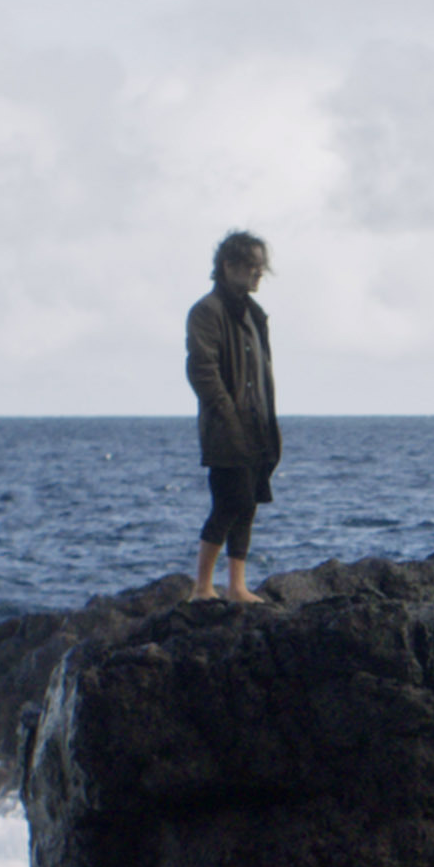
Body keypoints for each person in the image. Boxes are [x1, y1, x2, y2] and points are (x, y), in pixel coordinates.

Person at [185, 230, 280, 603]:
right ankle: (202, 587)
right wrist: (228, 417)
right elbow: (202, 370)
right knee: (228, 503)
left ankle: (236, 586)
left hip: (258, 426)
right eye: (252, 266)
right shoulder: (207, 312)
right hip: (227, 428)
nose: (259, 274)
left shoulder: (253, 315)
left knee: (248, 504)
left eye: (261, 267)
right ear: (228, 266)